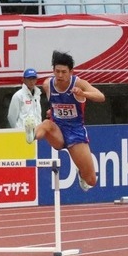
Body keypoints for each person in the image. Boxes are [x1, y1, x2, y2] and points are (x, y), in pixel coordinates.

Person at [30, 51, 105, 191]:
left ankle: (81, 174)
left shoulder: (79, 84)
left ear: (71, 72)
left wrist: (84, 94)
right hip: (57, 129)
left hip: (75, 132)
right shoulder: (47, 85)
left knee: (92, 181)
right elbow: (54, 105)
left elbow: (101, 96)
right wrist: (51, 112)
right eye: (57, 71)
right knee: (46, 125)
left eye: (64, 72)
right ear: (53, 70)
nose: (59, 75)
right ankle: (32, 135)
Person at [7, 68, 43, 144]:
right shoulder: (18, 95)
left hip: (37, 133)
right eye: (29, 78)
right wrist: (18, 130)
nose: (31, 81)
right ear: (23, 80)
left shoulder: (37, 95)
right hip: (22, 134)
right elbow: (11, 117)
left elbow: (38, 115)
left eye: (33, 78)